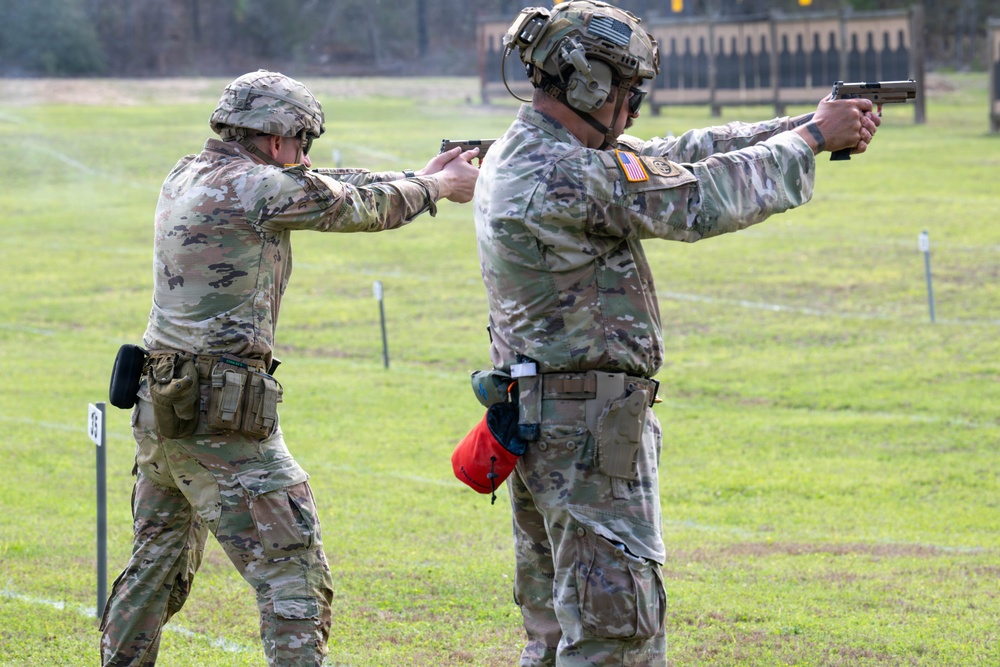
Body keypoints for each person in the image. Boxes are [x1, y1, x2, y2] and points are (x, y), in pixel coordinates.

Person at [473, 2, 881, 666]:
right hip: (586, 437)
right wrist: (810, 140)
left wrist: (804, 125)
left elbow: (674, 155)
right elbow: (699, 197)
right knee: (614, 640)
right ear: (589, 86)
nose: (634, 109)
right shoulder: (564, 172)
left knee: (557, 638)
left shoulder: (536, 151)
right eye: (629, 91)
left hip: (552, 421)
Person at [100, 69, 479, 667]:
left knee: (154, 567)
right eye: (301, 143)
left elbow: (324, 182)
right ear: (276, 139)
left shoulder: (187, 172)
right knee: (293, 571)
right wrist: (439, 188)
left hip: (162, 405)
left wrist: (423, 175)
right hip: (218, 414)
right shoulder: (260, 188)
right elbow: (356, 205)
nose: (304, 156)